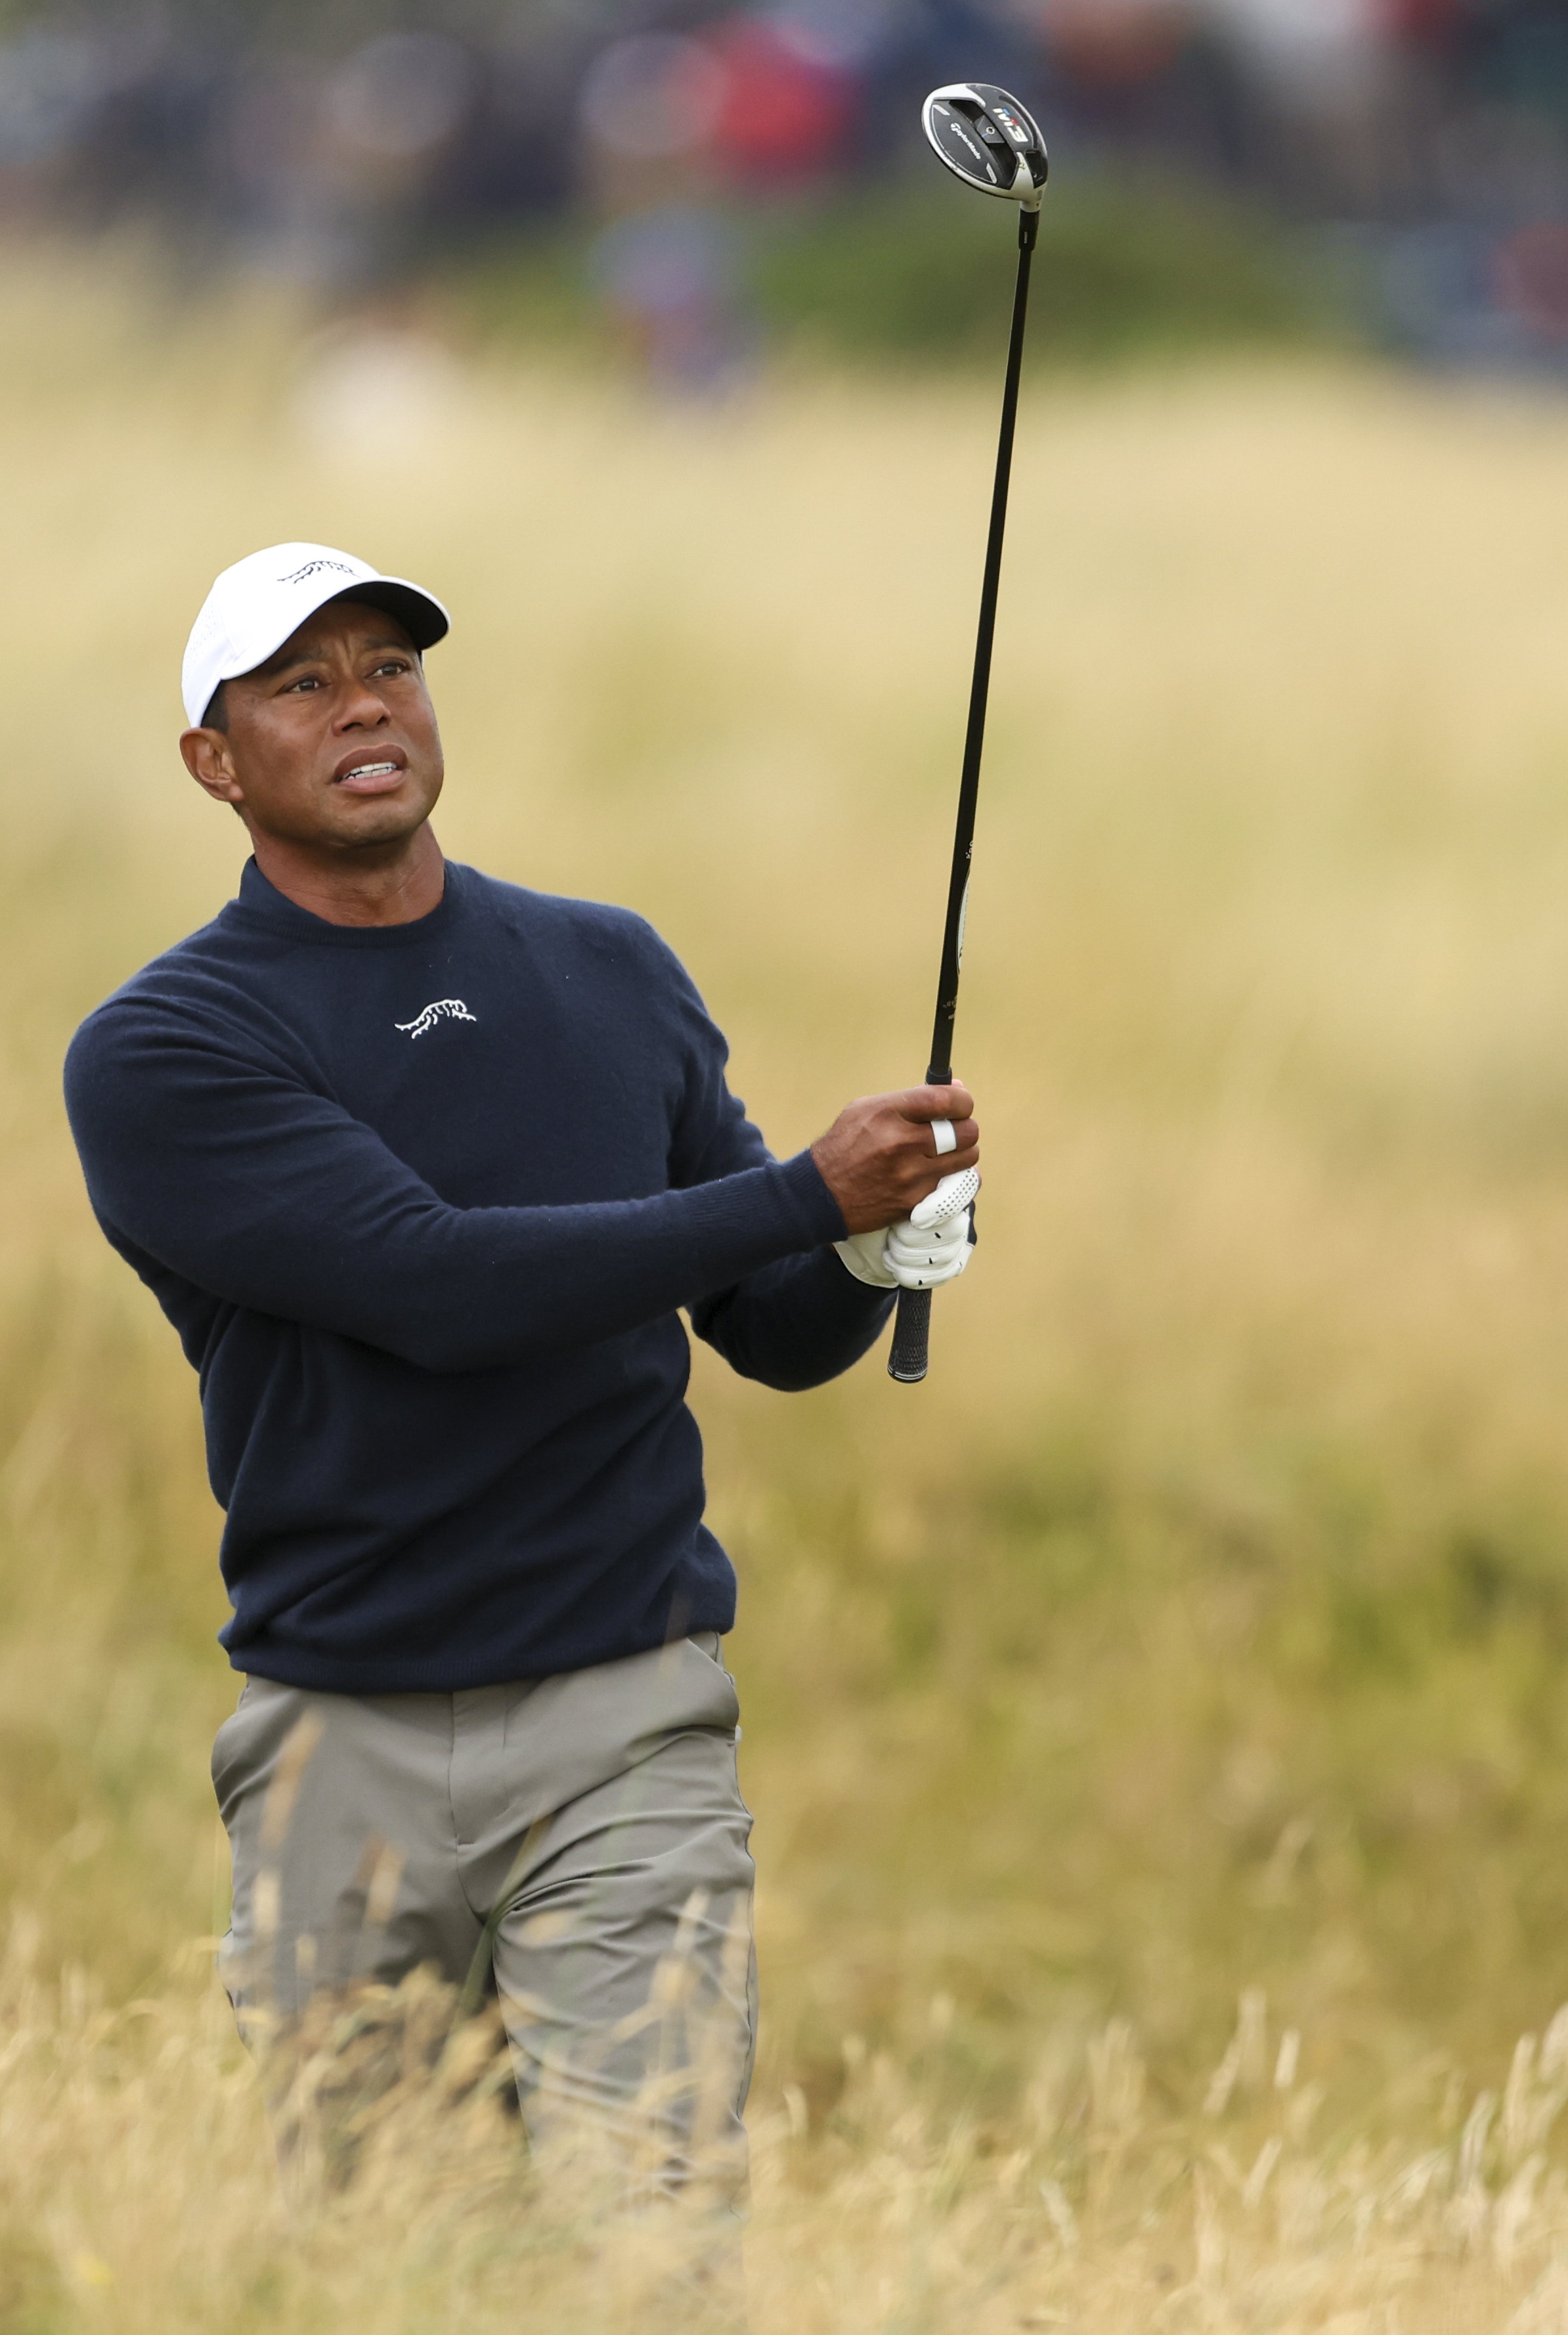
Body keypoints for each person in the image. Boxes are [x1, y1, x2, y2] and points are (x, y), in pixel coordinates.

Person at [61, 542, 984, 2217]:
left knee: (654, 2241)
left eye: (390, 667)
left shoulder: (609, 967)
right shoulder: (165, 1047)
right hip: (340, 1751)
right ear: (216, 761)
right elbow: (435, 1285)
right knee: (396, 2272)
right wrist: (806, 1197)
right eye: (302, 682)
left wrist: (866, 1253)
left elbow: (765, 1327)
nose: (364, 706)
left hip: (624, 1722)